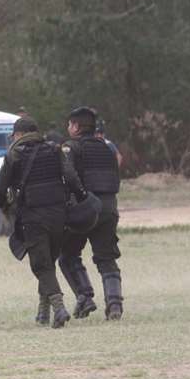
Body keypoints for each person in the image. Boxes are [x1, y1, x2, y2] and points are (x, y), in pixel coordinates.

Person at [0, 117, 85, 328]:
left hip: (32, 215)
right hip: (58, 214)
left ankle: (59, 308)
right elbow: (71, 178)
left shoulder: (13, 154)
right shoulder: (54, 150)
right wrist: (81, 198)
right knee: (48, 262)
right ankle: (43, 313)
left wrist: (7, 208)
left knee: (41, 265)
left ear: (18, 135)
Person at [59, 107, 124, 320]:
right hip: (109, 208)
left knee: (68, 255)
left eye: (69, 124)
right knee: (106, 257)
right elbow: (115, 177)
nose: (68, 128)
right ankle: (114, 304)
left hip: (83, 208)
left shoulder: (71, 148)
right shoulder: (107, 148)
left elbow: (67, 177)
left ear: (76, 127)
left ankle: (84, 297)